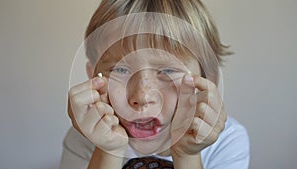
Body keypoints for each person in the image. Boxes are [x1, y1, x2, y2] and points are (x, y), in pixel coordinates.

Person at [60, 0, 250, 168]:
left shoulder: (227, 140)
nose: (142, 96)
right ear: (94, 77)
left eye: (167, 71)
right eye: (120, 70)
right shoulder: (84, 139)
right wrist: (108, 151)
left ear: (207, 79)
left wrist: (187, 155)